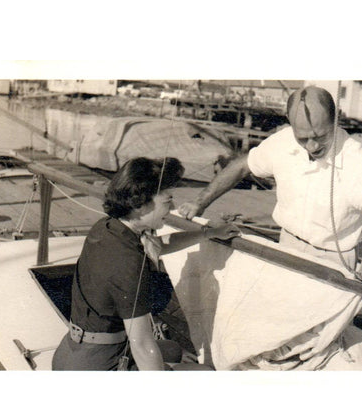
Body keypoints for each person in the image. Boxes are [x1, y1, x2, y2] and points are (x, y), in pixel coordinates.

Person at [178, 85, 362, 280]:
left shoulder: (360, 163)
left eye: (320, 136)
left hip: (332, 262)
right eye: (303, 138)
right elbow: (242, 166)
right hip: (286, 247)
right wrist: (200, 202)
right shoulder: (282, 141)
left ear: (336, 119)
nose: (312, 146)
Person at [52, 157, 239, 371]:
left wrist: (208, 233)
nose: (173, 209)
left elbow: (159, 244)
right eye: (168, 201)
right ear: (140, 204)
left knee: (173, 349)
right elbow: (141, 345)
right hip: (99, 364)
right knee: (204, 373)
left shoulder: (107, 228)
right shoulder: (128, 263)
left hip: (75, 351)